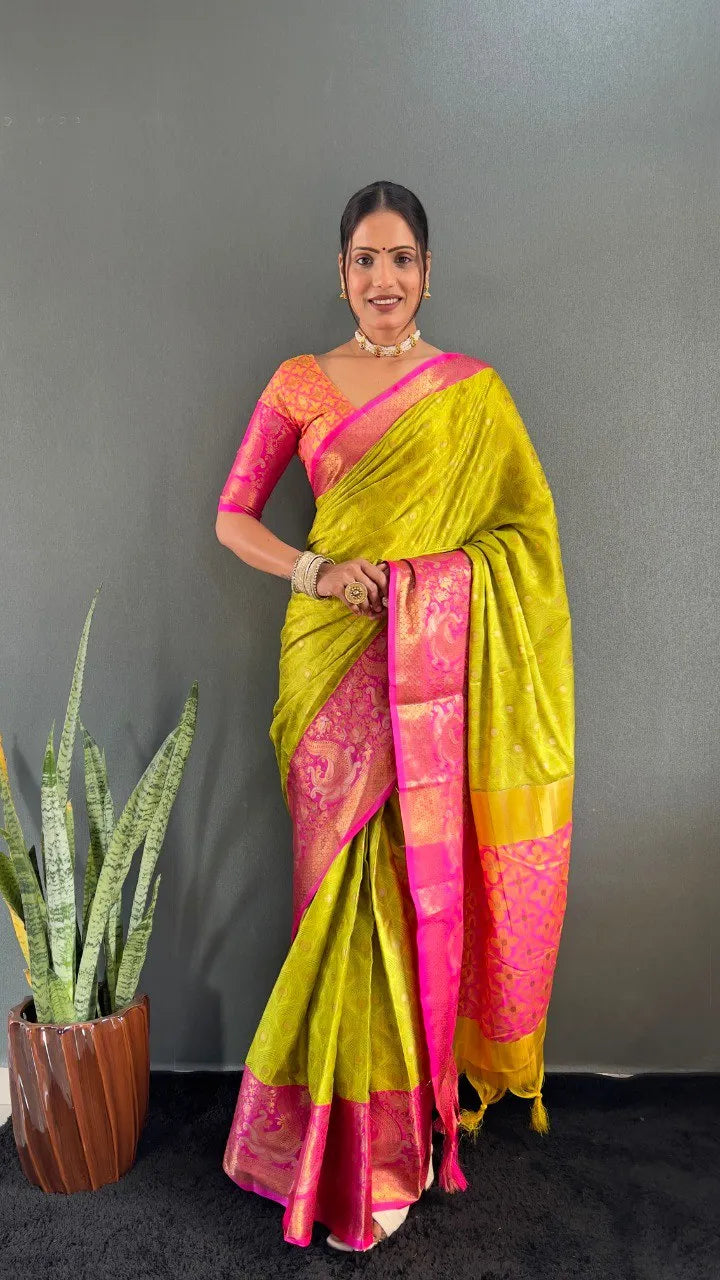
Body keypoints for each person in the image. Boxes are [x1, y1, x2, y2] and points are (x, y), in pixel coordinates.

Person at [215, 179, 575, 1253]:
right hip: (325, 666)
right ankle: (325, 1148)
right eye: (365, 259)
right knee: (336, 901)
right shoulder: (299, 381)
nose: (384, 279)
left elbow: (525, 543)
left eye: (402, 259)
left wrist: (429, 583)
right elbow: (233, 516)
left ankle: (388, 1151)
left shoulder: (473, 395)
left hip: (426, 670)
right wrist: (319, 571)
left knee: (402, 896)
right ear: (340, 273)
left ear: (428, 272)